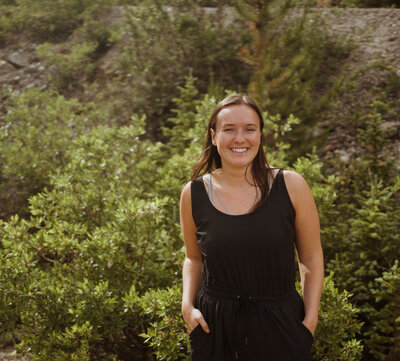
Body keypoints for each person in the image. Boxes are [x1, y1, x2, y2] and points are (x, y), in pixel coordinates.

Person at [179, 94, 324, 361]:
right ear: (214, 136)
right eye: (229, 129)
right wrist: (187, 306)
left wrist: (309, 323)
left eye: (249, 129)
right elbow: (193, 258)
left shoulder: (291, 186)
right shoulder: (193, 193)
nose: (239, 138)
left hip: (282, 325)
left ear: (260, 135)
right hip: (214, 329)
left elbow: (311, 257)